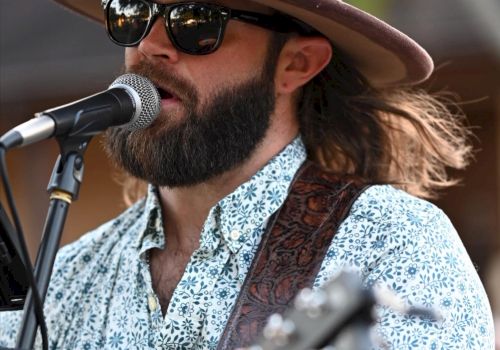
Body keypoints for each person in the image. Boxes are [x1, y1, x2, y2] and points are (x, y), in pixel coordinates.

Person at [0, 0, 495, 349]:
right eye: (133, 12)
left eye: (195, 21)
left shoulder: (393, 245)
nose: (150, 45)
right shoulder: (63, 280)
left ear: (297, 63)